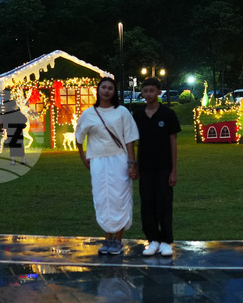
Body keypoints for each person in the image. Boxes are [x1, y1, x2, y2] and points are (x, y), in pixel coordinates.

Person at [75, 77, 139, 256]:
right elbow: (79, 138)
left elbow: (130, 139)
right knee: (102, 197)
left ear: (114, 92)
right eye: (103, 87)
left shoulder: (122, 112)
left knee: (120, 197)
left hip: (119, 159)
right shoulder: (88, 114)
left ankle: (118, 239)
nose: (106, 91)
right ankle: (108, 237)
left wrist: (132, 164)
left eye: (110, 88)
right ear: (98, 90)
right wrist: (84, 158)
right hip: (98, 161)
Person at [132, 77, 180, 257]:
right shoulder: (138, 116)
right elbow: (134, 142)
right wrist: (134, 165)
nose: (148, 94)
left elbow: (173, 142)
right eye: (145, 91)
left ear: (159, 92)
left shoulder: (168, 114)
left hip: (164, 167)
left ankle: (166, 241)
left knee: (164, 203)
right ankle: (152, 239)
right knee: (147, 202)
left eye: (152, 91)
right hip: (145, 167)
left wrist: (174, 170)